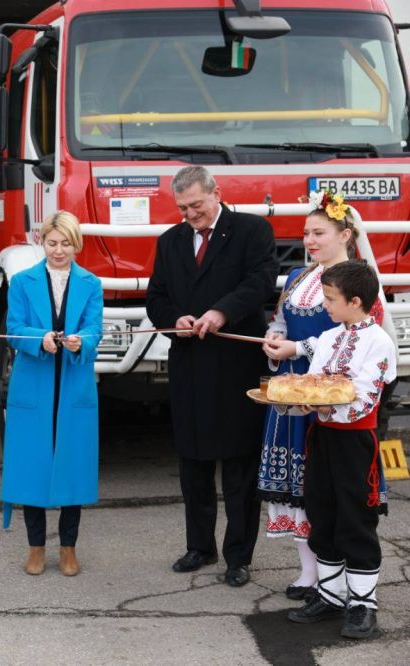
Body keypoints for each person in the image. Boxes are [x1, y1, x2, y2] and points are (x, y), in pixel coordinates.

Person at [145, 165, 277, 587]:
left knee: (239, 467)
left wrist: (221, 312)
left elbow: (260, 283)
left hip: (237, 365)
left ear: (216, 194)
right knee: (194, 465)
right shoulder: (170, 241)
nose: (190, 215)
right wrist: (174, 319)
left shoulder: (251, 230)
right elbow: (156, 297)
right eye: (183, 208)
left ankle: (238, 556)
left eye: (197, 206)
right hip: (190, 366)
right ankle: (199, 546)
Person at [260, 191, 386, 601]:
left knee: (343, 503)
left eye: (318, 232)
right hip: (298, 389)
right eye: (305, 233)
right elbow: (281, 318)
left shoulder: (359, 284)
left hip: (337, 404)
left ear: (344, 234)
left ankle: (355, 595)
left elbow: (359, 341)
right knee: (306, 489)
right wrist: (276, 338)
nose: (309, 240)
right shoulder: (298, 278)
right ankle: (313, 576)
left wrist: (298, 350)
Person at [286, 260, 396, 640]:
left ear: (355, 301)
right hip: (323, 436)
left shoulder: (379, 341)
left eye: (331, 299)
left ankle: (363, 604)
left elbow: (367, 397)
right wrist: (295, 396)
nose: (326, 306)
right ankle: (331, 595)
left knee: (356, 517)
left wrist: (323, 404)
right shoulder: (330, 338)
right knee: (322, 511)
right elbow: (315, 382)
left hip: (354, 441)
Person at [1, 212, 102, 576]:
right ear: (42, 243)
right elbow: (13, 329)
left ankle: (69, 548)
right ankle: (36, 547)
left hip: (74, 383)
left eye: (66, 243)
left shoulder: (91, 283)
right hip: (33, 383)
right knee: (33, 467)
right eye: (52, 242)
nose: (59, 250)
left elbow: (95, 329)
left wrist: (81, 342)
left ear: (77, 245)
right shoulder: (23, 282)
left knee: (72, 466)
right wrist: (39, 339)